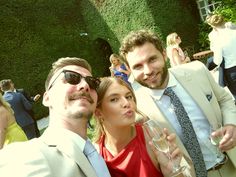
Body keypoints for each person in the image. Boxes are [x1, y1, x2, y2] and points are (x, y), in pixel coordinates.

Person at [119, 29, 236, 177]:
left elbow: (225, 99)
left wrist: (232, 124)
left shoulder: (197, 70)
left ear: (164, 54)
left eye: (152, 59)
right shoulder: (137, 107)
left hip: (232, 162)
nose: (147, 70)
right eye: (138, 66)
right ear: (129, 69)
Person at [0, 57, 110, 177]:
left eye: (92, 82)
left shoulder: (98, 150)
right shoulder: (28, 157)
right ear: (47, 98)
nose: (85, 85)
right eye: (71, 77)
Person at [93, 77, 191, 177]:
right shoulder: (95, 153)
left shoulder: (151, 137)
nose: (127, 103)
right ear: (98, 112)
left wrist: (172, 172)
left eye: (129, 97)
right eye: (114, 99)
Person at [206, 14, 236, 100]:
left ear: (213, 26)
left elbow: (217, 60)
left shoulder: (217, 39)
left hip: (231, 71)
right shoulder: (234, 31)